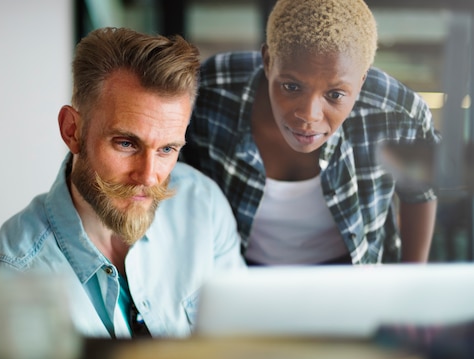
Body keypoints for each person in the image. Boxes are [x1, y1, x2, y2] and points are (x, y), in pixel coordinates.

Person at [0, 27, 245, 339]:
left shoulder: (204, 205)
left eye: (167, 149)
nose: (149, 176)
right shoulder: (15, 277)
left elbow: (242, 344)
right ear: (72, 131)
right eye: (126, 144)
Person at [180, 0, 440, 266]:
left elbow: (420, 194)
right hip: (242, 273)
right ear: (268, 62)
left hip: (350, 278)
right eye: (291, 87)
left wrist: (412, 285)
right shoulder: (209, 91)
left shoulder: (398, 113)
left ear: (362, 80)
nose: (309, 115)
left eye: (335, 94)